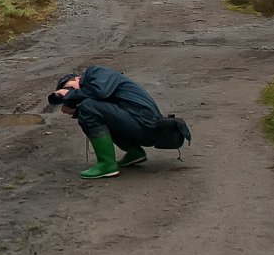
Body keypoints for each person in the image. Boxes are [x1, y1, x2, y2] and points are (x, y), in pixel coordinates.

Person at [48, 64, 191, 179]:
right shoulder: (94, 94)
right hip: (143, 127)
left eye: (68, 86)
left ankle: (107, 165)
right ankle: (135, 153)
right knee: (87, 109)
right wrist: (75, 110)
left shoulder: (95, 72)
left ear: (78, 78)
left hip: (146, 124)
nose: (68, 92)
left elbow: (101, 92)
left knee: (88, 108)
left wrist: (71, 95)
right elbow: (107, 110)